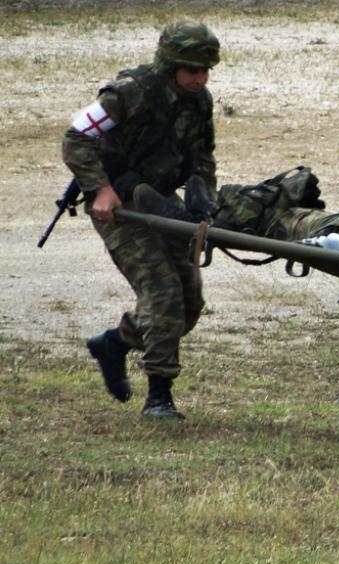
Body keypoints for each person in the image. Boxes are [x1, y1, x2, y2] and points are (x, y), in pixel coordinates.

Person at [63, 20, 222, 419]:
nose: (199, 78)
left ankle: (114, 344)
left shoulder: (200, 101)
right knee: (162, 292)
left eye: (205, 71)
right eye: (191, 70)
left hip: (163, 204)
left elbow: (202, 158)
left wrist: (205, 201)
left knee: (189, 302)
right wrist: (100, 188)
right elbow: (77, 137)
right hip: (119, 206)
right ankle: (159, 397)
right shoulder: (129, 94)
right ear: (170, 65)